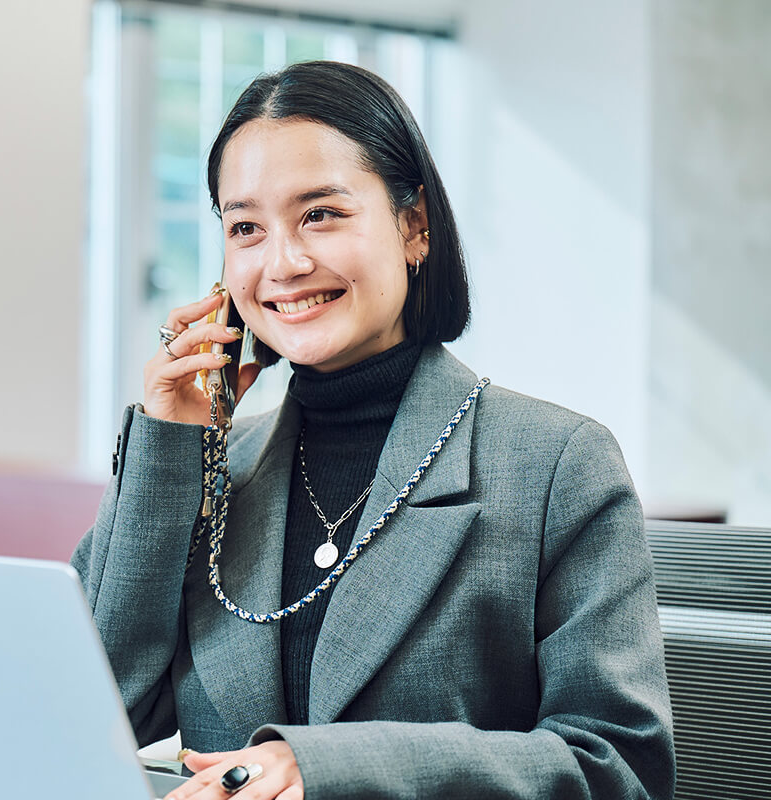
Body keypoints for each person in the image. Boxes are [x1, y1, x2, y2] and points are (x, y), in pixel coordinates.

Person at [72, 61, 674, 800]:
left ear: (413, 225)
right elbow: (92, 714)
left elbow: (619, 768)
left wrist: (330, 771)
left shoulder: (557, 465)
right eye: (246, 228)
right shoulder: (217, 470)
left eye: (320, 214)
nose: (284, 264)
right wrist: (171, 449)